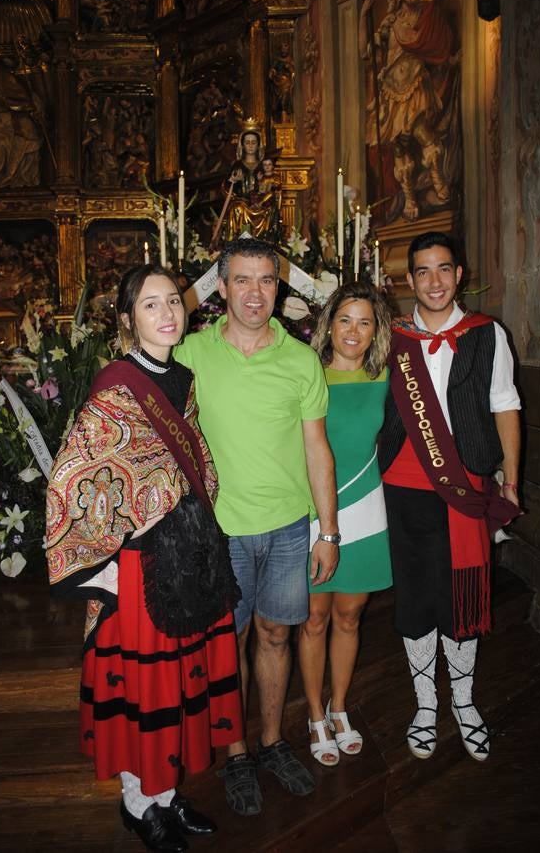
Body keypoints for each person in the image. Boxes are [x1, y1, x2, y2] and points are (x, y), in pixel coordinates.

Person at [46, 264, 244, 852]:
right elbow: (76, 470)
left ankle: (165, 794)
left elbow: (193, 457)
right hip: (135, 562)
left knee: (181, 680)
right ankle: (139, 803)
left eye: (173, 303)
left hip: (187, 550)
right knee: (144, 686)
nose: (167, 314)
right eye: (151, 305)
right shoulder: (116, 382)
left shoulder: (181, 377)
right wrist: (147, 502)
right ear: (129, 320)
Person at [175, 237, 339, 815]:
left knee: (276, 635)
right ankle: (237, 751)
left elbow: (318, 450)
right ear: (220, 287)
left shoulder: (300, 360)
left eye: (266, 280)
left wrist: (328, 530)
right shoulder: (190, 352)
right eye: (241, 280)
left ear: (280, 287)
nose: (254, 293)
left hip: (290, 528)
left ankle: (271, 740)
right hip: (220, 532)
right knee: (230, 642)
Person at [379, 231, 521, 763]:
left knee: (462, 595)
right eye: (422, 272)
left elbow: (505, 404)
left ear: (458, 274)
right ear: (408, 279)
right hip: (403, 486)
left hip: (467, 487)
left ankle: (463, 702)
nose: (434, 281)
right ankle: (424, 705)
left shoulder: (487, 334)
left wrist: (511, 477)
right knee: (416, 595)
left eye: (443, 270)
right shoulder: (390, 338)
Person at [299, 281, 393, 766]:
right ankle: (315, 713)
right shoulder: (306, 373)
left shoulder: (385, 377)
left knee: (350, 616)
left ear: (375, 328)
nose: (353, 331)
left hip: (367, 507)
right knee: (314, 618)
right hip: (317, 509)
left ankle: (339, 707)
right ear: (328, 325)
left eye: (364, 321)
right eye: (344, 320)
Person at [358, 0, 459, 221]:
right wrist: (363, 16)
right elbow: (365, 52)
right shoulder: (389, 24)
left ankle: (438, 180)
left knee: (422, 132)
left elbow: (434, 43)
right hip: (392, 94)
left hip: (415, 86)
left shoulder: (426, 15)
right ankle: (410, 198)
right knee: (399, 148)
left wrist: (447, 60)